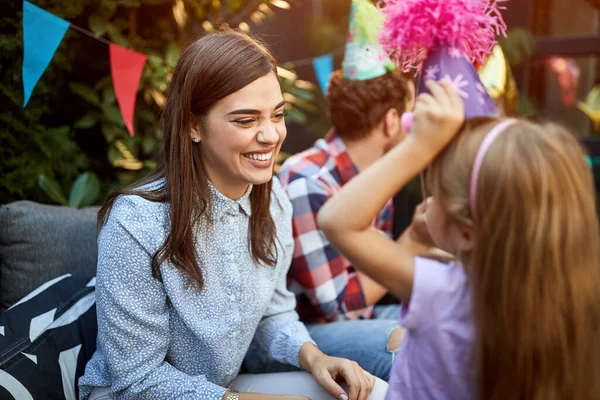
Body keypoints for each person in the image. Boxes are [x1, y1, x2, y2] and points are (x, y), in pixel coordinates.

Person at [78, 30, 388, 400]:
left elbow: (274, 314)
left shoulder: (273, 204)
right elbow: (136, 379)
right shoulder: (136, 222)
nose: (271, 135)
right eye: (246, 121)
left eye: (277, 115)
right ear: (194, 126)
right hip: (142, 395)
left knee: (370, 394)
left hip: (222, 389)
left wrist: (315, 358)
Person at [318, 79, 600, 399]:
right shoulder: (572, 298)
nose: (428, 199)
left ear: (467, 233)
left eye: (436, 191)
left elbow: (337, 220)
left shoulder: (443, 292)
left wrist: (420, 146)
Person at [244, 0, 413, 382]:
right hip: (295, 335)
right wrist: (412, 243)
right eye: (408, 113)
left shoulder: (375, 178)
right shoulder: (309, 184)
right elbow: (338, 309)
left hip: (352, 320)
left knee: (451, 325)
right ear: (390, 121)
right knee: (407, 347)